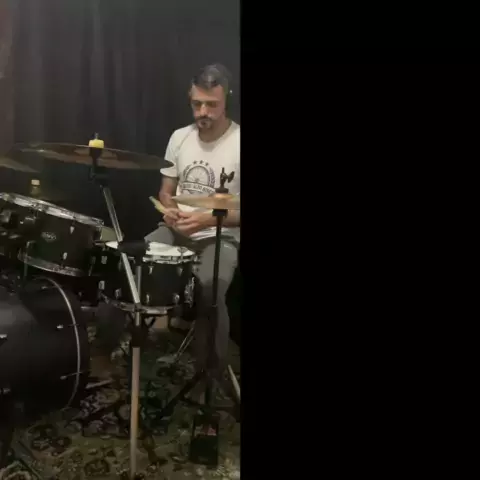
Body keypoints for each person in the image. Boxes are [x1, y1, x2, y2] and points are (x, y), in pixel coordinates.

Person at [145, 63, 240, 378]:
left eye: (211, 105)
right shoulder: (179, 137)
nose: (203, 112)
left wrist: (204, 221)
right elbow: (166, 190)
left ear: (226, 99)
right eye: (197, 104)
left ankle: (208, 377)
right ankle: (108, 353)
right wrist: (168, 210)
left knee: (211, 292)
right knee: (130, 264)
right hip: (175, 229)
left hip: (220, 235)